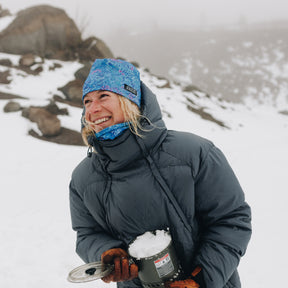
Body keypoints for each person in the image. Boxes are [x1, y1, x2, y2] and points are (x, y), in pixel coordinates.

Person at [69, 58, 252, 288]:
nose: (93, 109)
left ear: (129, 98)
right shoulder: (83, 178)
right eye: (87, 101)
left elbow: (231, 219)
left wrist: (201, 280)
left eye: (104, 96)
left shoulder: (193, 153)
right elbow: (87, 233)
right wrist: (107, 252)